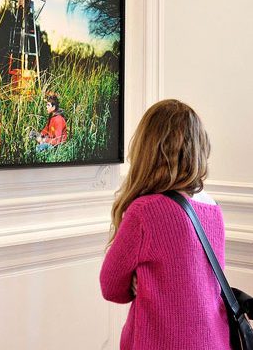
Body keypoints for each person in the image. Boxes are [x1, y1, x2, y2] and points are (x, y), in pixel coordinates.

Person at [99, 99, 231, 350]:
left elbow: (111, 286)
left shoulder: (145, 211)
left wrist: (135, 283)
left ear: (147, 150)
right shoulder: (212, 208)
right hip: (213, 342)